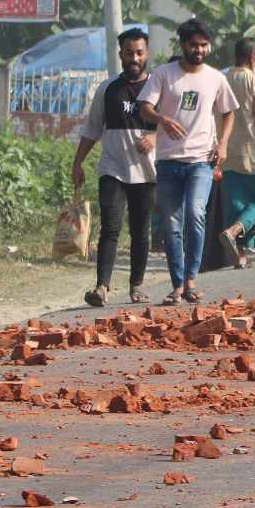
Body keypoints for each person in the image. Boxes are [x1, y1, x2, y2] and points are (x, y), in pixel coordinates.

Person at [135, 18, 237, 303]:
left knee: (195, 214)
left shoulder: (216, 78)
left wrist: (223, 143)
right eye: (194, 45)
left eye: (204, 45)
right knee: (172, 225)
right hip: (168, 161)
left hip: (201, 160)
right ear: (183, 45)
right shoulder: (163, 74)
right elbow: (144, 107)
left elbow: (229, 112)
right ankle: (178, 285)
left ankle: (192, 279)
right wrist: (162, 120)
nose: (199, 50)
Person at [70, 26, 158, 307]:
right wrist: (78, 162)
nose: (134, 58)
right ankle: (101, 287)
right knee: (110, 227)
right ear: (120, 54)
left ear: (147, 53)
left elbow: (174, 127)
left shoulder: (158, 88)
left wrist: (155, 137)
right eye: (129, 53)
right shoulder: (107, 89)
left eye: (139, 53)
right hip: (113, 169)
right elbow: (92, 129)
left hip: (147, 172)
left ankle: (136, 286)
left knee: (140, 232)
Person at [218, 37, 255, 267]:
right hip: (251, 153)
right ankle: (232, 232)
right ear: (253, 55)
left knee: (236, 204)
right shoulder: (254, 80)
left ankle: (240, 255)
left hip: (226, 152)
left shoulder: (221, 79)